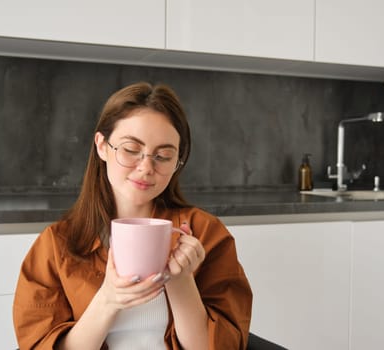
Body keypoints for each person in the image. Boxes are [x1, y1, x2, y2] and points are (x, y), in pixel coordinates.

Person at [13, 81, 253, 349]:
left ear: (178, 162)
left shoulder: (206, 234)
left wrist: (181, 280)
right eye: (130, 149)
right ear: (102, 146)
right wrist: (108, 300)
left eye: (163, 156)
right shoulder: (56, 246)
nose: (146, 167)